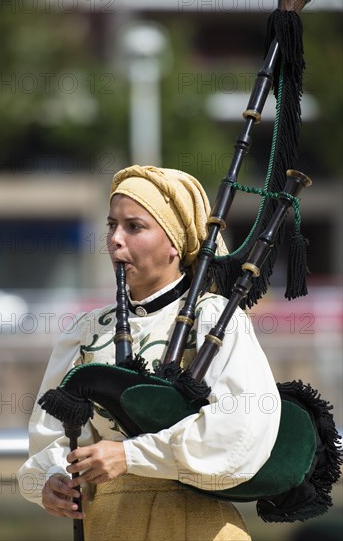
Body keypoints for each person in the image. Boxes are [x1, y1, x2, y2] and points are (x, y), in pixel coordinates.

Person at [18, 165, 281, 541]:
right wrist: (53, 480)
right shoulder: (86, 331)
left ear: (175, 242)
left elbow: (241, 428)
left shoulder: (215, 318)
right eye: (111, 225)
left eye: (134, 227)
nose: (114, 240)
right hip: (109, 524)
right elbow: (51, 439)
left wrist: (130, 456)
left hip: (198, 524)